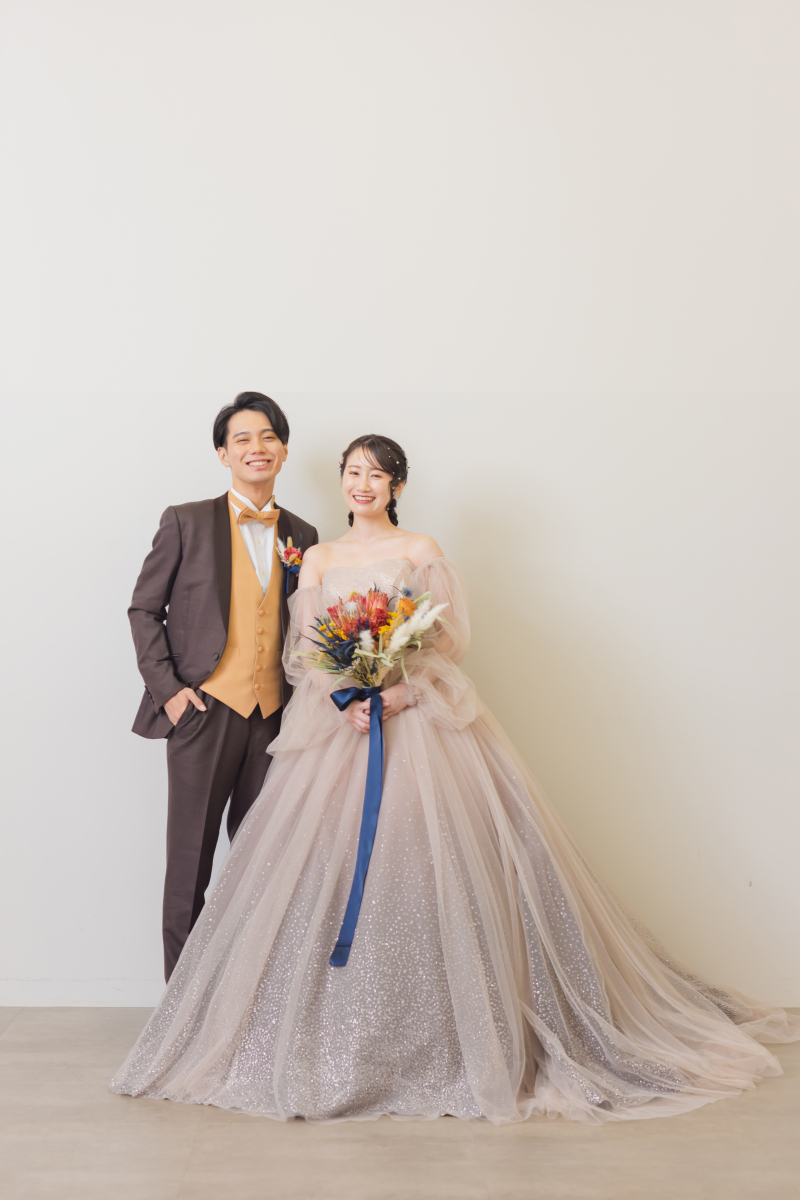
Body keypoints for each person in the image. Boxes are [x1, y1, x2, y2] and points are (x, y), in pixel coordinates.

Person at [113, 434, 799, 1123]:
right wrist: (348, 697)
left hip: (415, 729)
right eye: (353, 472)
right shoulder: (315, 556)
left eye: (376, 474)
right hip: (339, 732)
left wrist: (398, 693)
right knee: (311, 873)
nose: (362, 484)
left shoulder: (421, 552)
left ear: (396, 486)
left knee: (419, 866)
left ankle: (438, 1031)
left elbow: (443, 644)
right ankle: (313, 1030)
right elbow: (309, 652)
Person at [128, 392, 317, 981]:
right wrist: (170, 692)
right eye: (243, 439)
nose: (257, 448)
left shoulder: (303, 533)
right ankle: (181, 1012)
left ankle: (248, 998)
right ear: (223, 453)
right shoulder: (185, 520)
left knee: (265, 865)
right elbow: (143, 610)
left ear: (283, 450)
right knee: (190, 865)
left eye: (268, 437)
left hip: (275, 719)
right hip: (202, 712)